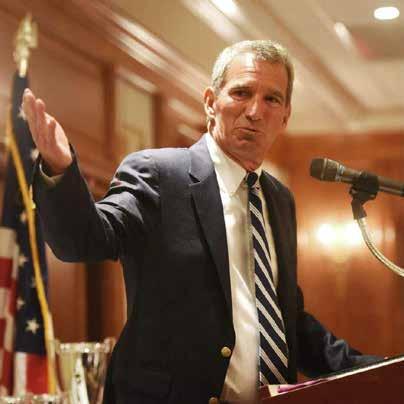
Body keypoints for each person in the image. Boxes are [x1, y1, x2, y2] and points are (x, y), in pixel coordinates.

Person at [22, 40, 378, 404]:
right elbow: (84, 240)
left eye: (272, 99)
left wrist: (381, 370)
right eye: (241, 93)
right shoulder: (160, 174)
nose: (255, 111)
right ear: (210, 101)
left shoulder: (279, 198)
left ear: (285, 116)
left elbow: (288, 322)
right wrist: (59, 170)